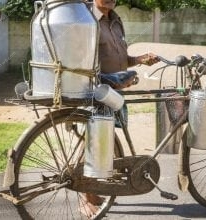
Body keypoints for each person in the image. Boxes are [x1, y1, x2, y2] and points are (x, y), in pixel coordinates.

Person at [80, 0, 160, 217]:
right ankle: (85, 196)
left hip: (114, 93)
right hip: (94, 91)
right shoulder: (85, 19)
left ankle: (94, 189)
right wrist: (111, 80)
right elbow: (82, 60)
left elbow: (122, 59)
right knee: (91, 140)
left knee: (104, 140)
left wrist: (140, 60)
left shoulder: (116, 20)